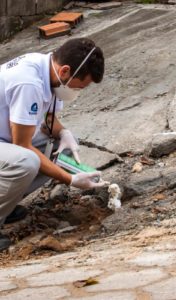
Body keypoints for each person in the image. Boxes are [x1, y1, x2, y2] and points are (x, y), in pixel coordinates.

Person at [0, 38, 109, 251]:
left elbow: (45, 120)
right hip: (9, 141)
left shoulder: (49, 71)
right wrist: (70, 178)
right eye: (82, 85)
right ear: (66, 71)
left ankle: (6, 203)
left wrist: (64, 133)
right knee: (27, 161)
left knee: (61, 147)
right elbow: (22, 144)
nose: (79, 91)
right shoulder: (29, 82)